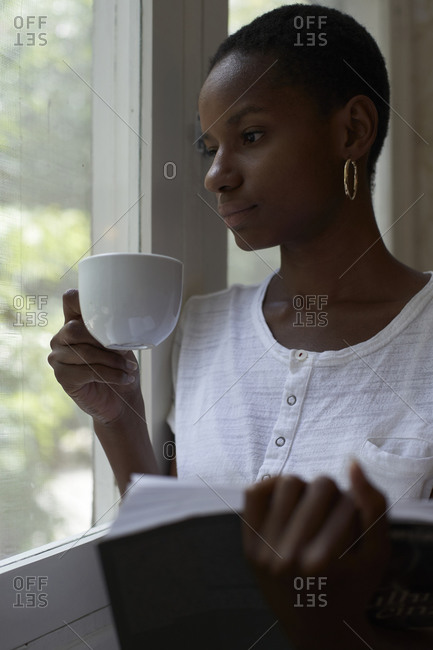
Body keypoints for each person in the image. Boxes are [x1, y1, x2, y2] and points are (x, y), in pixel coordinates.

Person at [48, 4, 433, 648]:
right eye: (209, 147)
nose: (215, 175)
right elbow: (175, 557)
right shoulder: (203, 327)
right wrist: (117, 415)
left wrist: (326, 622)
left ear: (352, 130)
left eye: (250, 136)